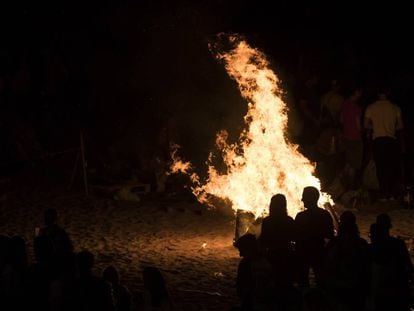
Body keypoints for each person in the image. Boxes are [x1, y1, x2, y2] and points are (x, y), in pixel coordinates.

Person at [364, 89, 404, 200]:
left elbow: (366, 125)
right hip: (391, 140)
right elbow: (400, 126)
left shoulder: (371, 107)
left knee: (380, 167)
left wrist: (376, 127)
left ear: (378, 94)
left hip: (378, 140)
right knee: (391, 166)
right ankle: (392, 192)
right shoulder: (395, 108)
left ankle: (383, 192)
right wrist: (391, 128)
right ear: (388, 94)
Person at [295, 187, 334, 287]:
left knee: (303, 282)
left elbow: (295, 236)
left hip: (304, 252)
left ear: (310, 198)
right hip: (319, 251)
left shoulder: (301, 217)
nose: (302, 199)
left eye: (304, 197)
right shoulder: (325, 215)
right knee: (321, 280)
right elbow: (330, 234)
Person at [259, 194, 295, 288]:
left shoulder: (267, 221)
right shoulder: (289, 220)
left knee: (273, 281)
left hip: (272, 255)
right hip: (286, 255)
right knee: (286, 282)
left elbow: (263, 239)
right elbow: (294, 237)